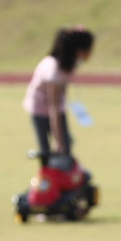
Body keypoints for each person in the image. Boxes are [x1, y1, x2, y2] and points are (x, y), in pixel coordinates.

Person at [22, 27, 94, 162]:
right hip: (40, 109)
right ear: (79, 50)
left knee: (65, 147)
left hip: (57, 108)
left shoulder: (68, 65)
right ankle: (48, 178)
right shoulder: (53, 69)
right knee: (47, 152)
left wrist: (62, 138)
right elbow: (53, 105)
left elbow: (59, 100)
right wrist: (58, 139)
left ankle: (63, 176)